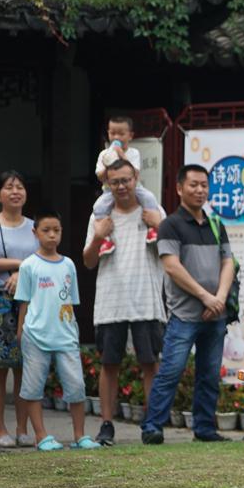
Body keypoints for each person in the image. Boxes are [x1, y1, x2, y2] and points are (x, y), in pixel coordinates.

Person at [140, 164, 235, 444]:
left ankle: (204, 429)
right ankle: (152, 427)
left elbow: (228, 262)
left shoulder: (216, 224)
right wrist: (206, 297)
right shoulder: (170, 224)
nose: (200, 190)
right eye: (193, 185)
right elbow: (171, 266)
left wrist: (218, 298)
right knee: (170, 371)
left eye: (204, 185)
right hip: (184, 314)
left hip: (215, 314)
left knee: (208, 375)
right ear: (180, 188)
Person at [83, 159, 166, 446]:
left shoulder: (153, 212)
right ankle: (106, 424)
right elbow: (89, 261)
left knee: (149, 363)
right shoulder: (100, 217)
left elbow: (172, 251)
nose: (121, 186)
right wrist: (98, 237)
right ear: (108, 184)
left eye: (126, 180)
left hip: (146, 299)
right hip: (111, 302)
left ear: (136, 179)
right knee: (109, 365)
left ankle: (152, 424)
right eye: (114, 181)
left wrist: (161, 226)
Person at [14, 208, 100, 450]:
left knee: (76, 385)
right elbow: (24, 302)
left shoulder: (69, 265)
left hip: (65, 334)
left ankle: (80, 436)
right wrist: (21, 331)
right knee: (32, 387)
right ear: (35, 232)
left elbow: (71, 303)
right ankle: (41, 436)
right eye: (46, 230)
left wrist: (74, 330)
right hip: (35, 334)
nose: (52, 235)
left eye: (56, 230)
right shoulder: (28, 266)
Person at [0, 170, 39, 448]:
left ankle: (23, 427)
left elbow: (43, 259)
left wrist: (21, 272)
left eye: (20, 186)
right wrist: (21, 265)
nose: (16, 191)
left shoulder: (35, 226)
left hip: (32, 300)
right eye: (9, 187)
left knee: (27, 364)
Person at [92, 115, 161, 256]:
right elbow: (100, 176)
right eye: (112, 133)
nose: (116, 137)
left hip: (134, 189)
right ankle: (106, 240)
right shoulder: (104, 154)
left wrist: (120, 154)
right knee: (98, 207)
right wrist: (107, 164)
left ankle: (151, 230)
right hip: (109, 191)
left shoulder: (133, 153)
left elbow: (134, 174)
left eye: (121, 133)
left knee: (149, 197)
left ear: (130, 136)